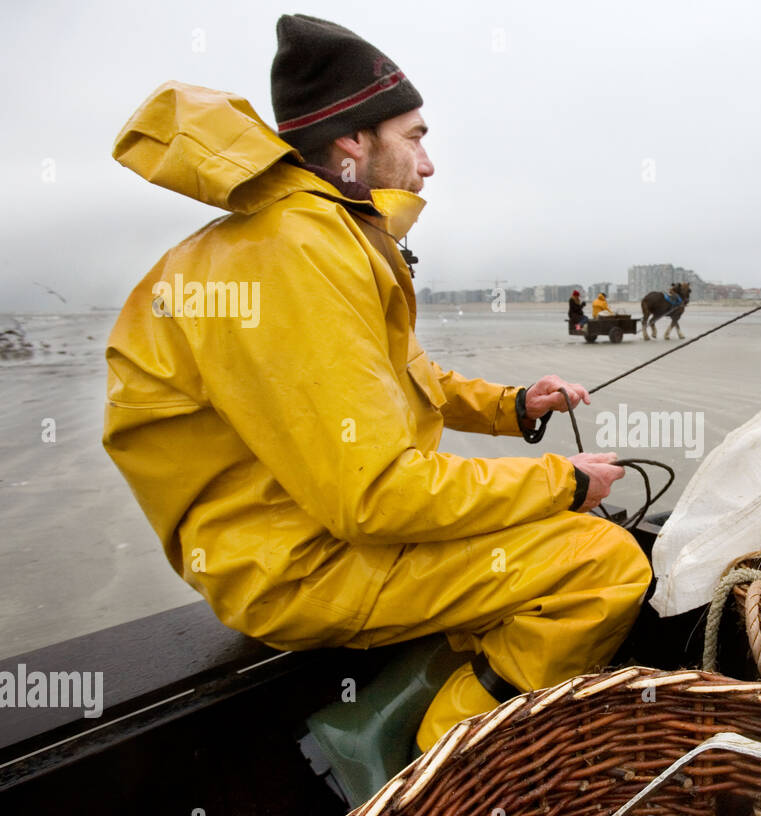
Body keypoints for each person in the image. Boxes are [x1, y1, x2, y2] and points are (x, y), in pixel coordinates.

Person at [103, 15, 652, 752]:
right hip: (299, 566)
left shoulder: (311, 232)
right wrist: (562, 481)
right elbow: (377, 493)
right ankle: (442, 775)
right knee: (603, 564)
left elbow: (405, 378)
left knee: (557, 539)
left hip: (306, 532)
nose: (428, 166)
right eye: (416, 137)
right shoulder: (295, 254)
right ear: (353, 140)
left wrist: (515, 405)